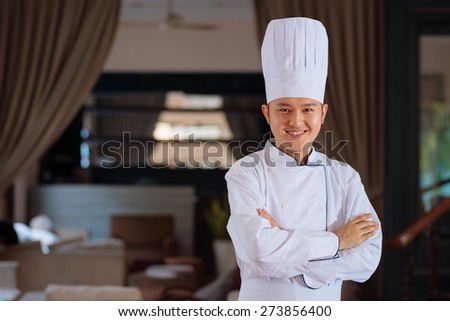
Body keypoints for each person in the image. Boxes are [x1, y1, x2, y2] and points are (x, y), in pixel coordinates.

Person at [225, 17, 382, 301]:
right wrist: (338, 241)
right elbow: (260, 252)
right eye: (284, 109)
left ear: (322, 114)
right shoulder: (245, 173)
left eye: (307, 109)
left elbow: (368, 258)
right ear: (266, 113)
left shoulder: (344, 177)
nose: (296, 121)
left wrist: (285, 243)